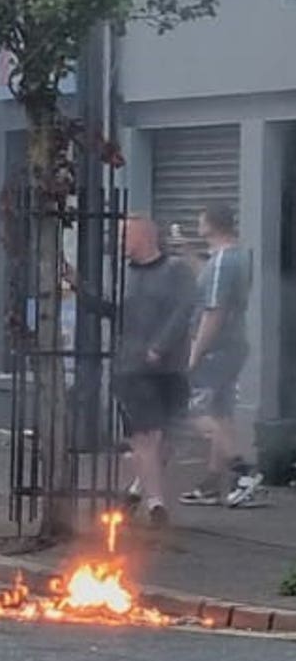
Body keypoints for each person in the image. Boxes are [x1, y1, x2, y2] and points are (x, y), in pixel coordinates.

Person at [181, 205, 266, 507]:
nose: (197, 223)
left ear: (211, 225)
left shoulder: (222, 262)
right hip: (233, 346)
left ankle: (244, 471)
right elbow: (209, 279)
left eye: (200, 220)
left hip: (216, 348)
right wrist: (188, 252)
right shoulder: (237, 257)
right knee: (221, 413)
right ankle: (212, 483)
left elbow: (213, 312)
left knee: (195, 412)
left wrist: (195, 353)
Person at [117, 213, 197, 526]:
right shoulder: (121, 275)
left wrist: (160, 347)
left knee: (169, 438)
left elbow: (183, 309)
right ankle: (155, 503)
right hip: (132, 370)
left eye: (126, 234)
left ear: (146, 235)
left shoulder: (176, 271)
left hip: (170, 368)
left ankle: (138, 488)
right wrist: (76, 282)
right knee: (145, 435)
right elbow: (109, 308)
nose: (120, 240)